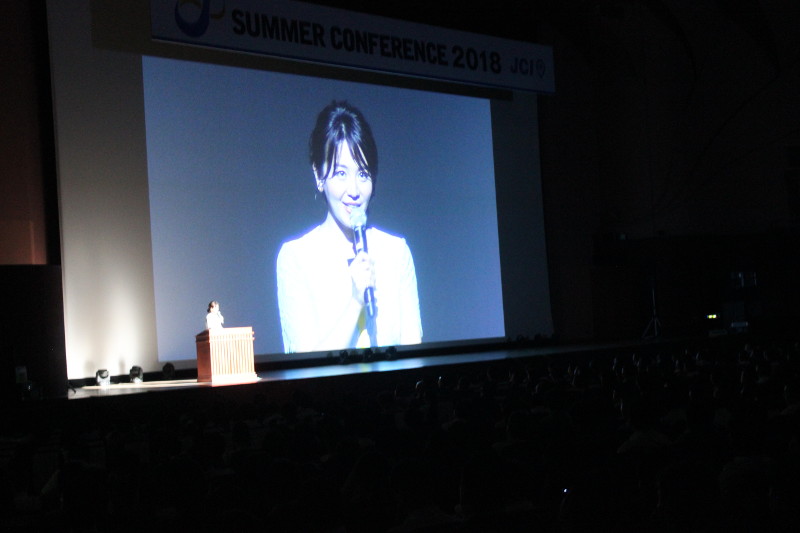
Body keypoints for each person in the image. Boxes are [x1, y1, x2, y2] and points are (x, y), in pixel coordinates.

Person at [276, 101, 422, 353]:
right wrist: (356, 302)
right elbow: (305, 363)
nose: (353, 190)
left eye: (363, 174)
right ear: (319, 175)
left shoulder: (396, 252)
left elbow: (413, 351)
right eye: (341, 173)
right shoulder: (295, 258)